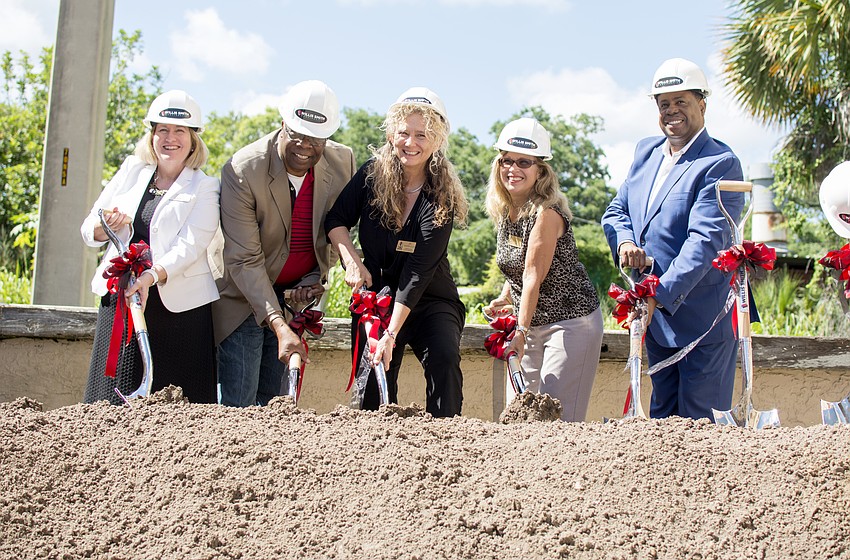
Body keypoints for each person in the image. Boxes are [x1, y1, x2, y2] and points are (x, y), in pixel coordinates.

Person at [601, 57, 745, 420]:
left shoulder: (720, 162)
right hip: (656, 324)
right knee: (662, 423)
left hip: (703, 318)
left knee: (701, 426)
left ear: (702, 104)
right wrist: (625, 243)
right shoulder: (645, 152)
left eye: (681, 101)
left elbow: (706, 241)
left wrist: (658, 295)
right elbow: (617, 212)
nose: (672, 111)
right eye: (664, 104)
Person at [325, 87, 468, 417]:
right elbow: (335, 220)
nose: (411, 143)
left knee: (444, 359)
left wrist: (391, 333)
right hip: (376, 298)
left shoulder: (441, 195)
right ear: (391, 133)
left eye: (422, 135)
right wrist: (351, 260)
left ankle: (448, 439)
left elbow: (417, 272)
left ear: (436, 141)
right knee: (373, 382)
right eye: (404, 132)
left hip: (431, 300)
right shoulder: (370, 175)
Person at [214, 80, 356, 407]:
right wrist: (279, 325)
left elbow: (337, 227)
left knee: (275, 404)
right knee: (240, 403)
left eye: (316, 138)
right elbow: (245, 261)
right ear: (283, 124)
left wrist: (314, 276)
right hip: (242, 297)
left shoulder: (342, 161)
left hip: (293, 297)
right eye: (297, 134)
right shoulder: (243, 170)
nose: (305, 145)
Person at [80, 89, 220, 404]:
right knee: (112, 400)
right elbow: (90, 227)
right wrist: (107, 227)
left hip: (180, 313)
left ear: (193, 138)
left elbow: (192, 244)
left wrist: (151, 276)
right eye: (162, 130)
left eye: (179, 131)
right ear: (152, 135)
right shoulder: (131, 171)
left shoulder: (206, 187)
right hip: (123, 300)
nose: (170, 138)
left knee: (180, 408)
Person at [482, 118, 602, 422]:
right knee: (518, 418)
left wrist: (519, 330)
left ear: (541, 171)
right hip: (532, 323)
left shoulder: (546, 214)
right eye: (506, 160)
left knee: (557, 421)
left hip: (570, 324)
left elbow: (534, 274)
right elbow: (520, 269)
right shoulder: (507, 211)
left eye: (524, 162)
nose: (513, 168)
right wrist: (505, 296)